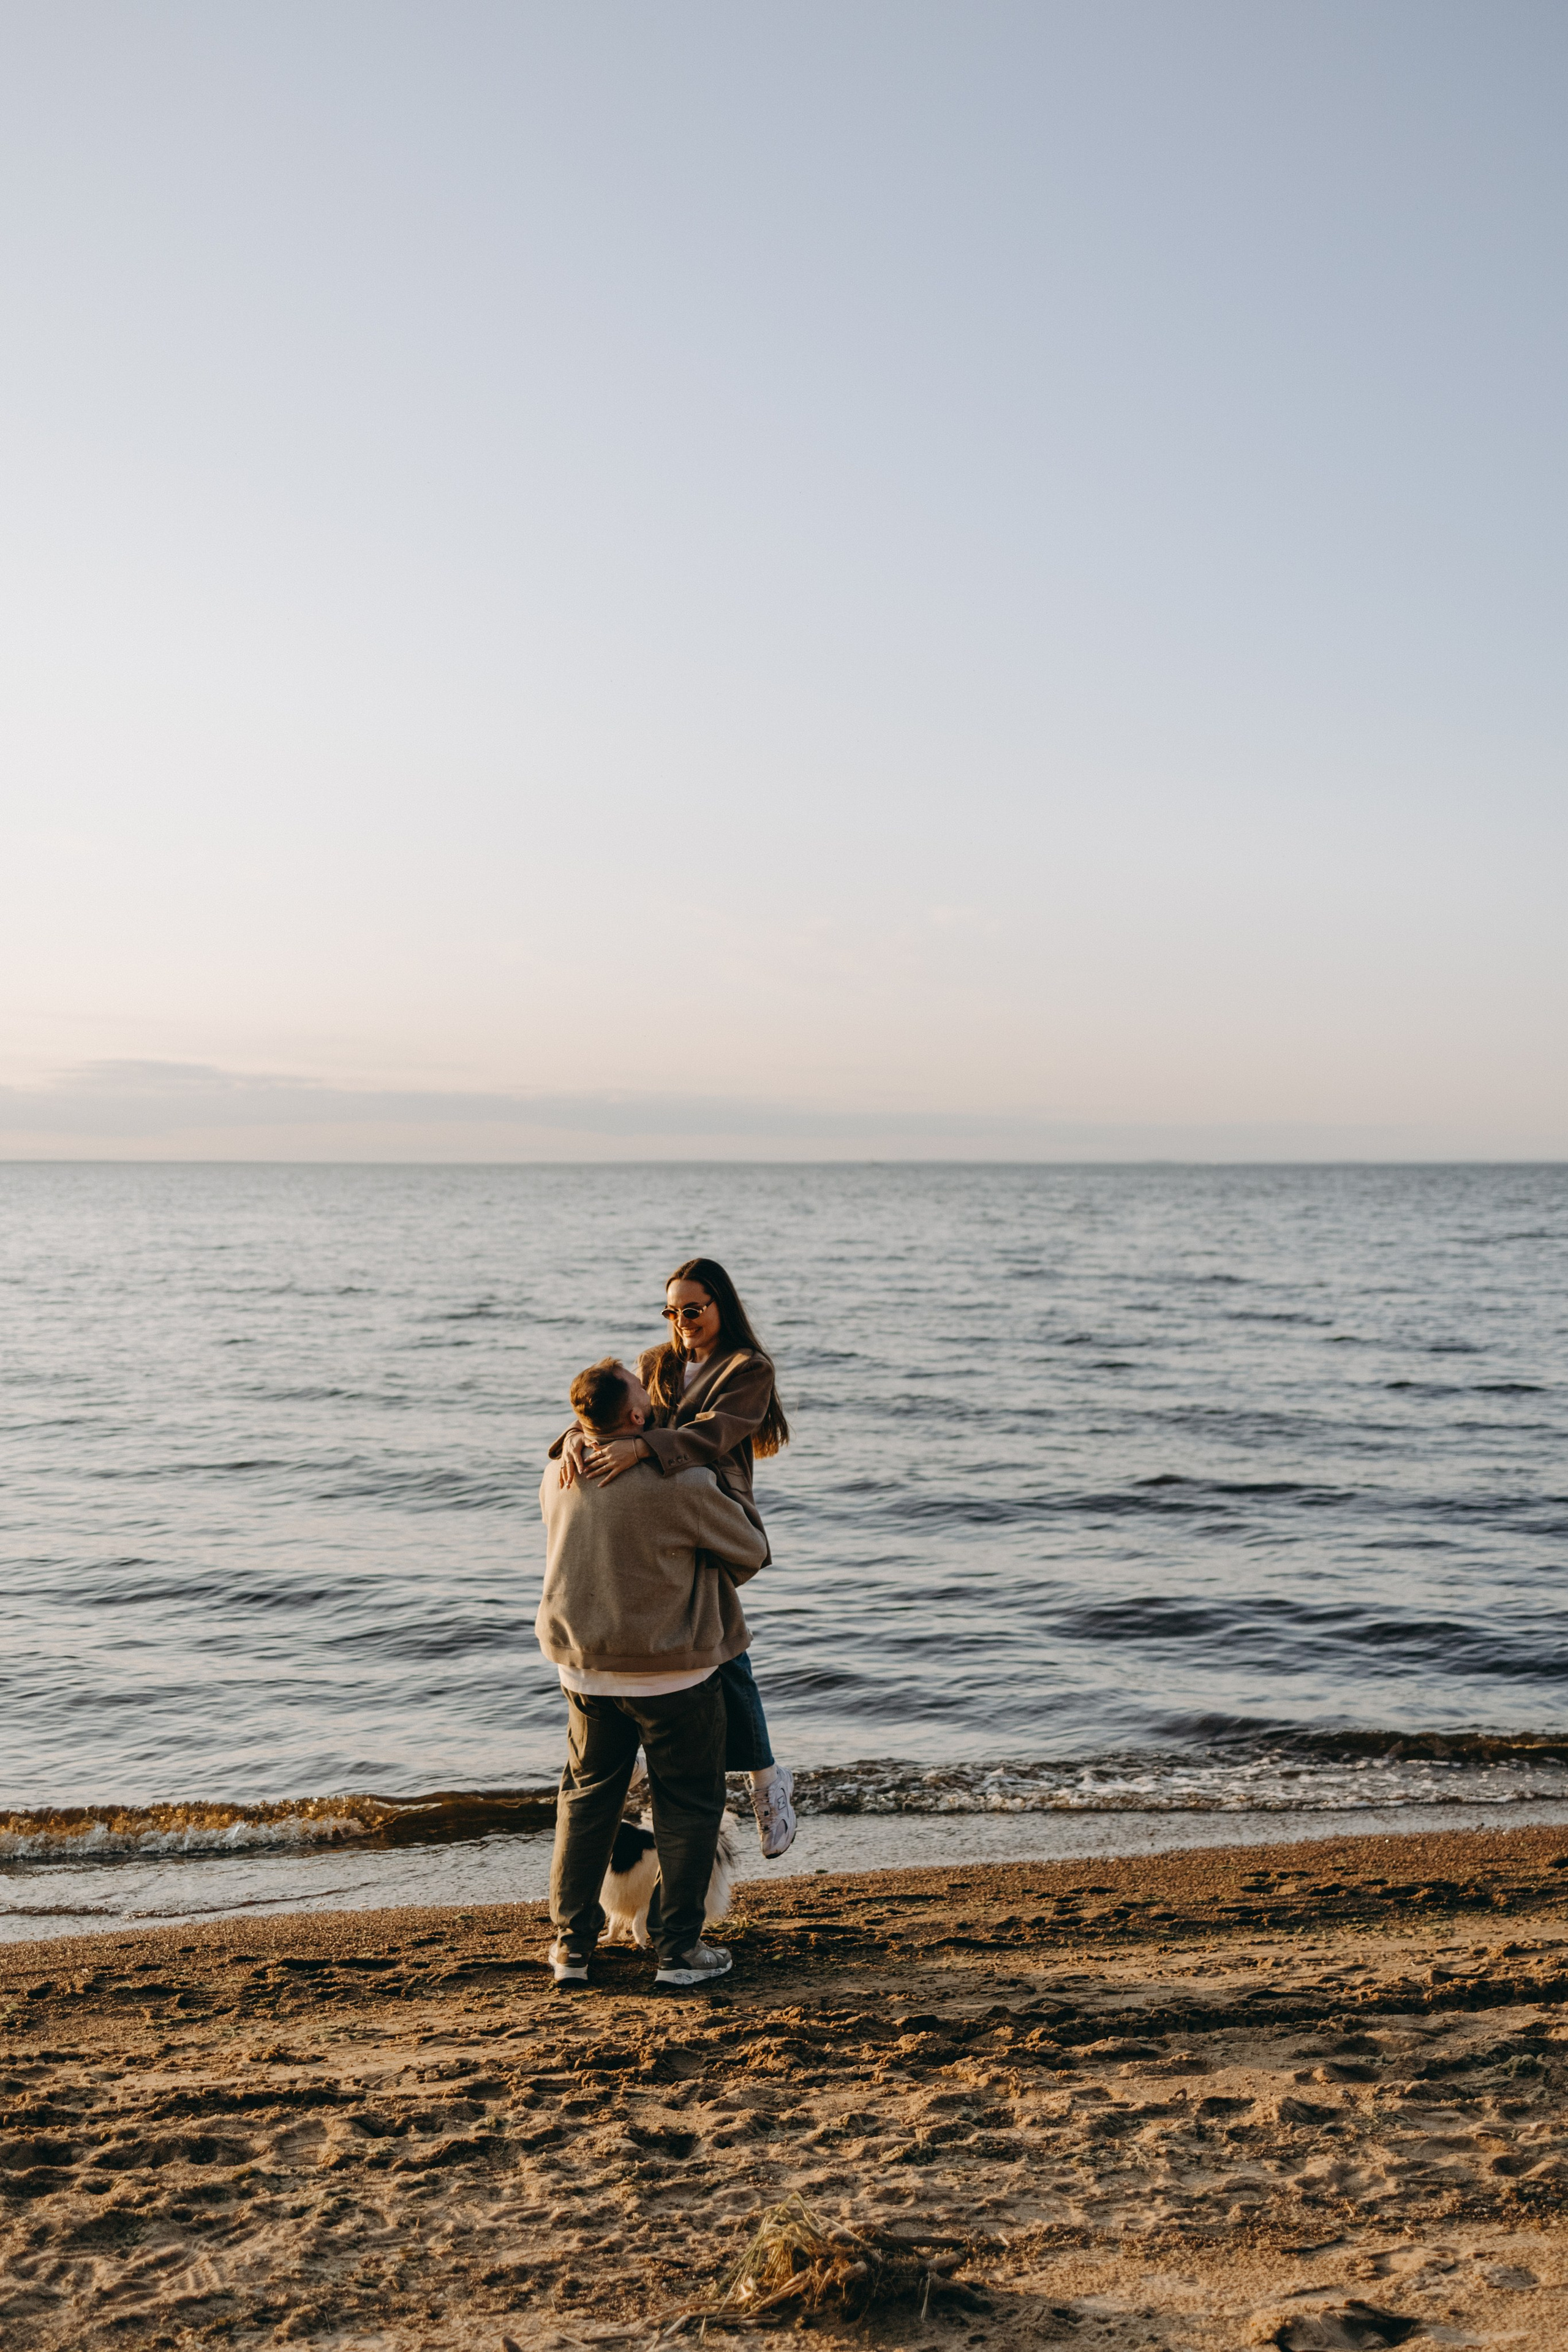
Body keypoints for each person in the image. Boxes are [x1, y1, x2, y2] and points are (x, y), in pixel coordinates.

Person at [537, 1355, 769, 1990]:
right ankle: (677, 1951)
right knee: (688, 1803)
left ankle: (572, 1949)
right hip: (672, 1674)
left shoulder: (558, 1471)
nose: (657, 1393)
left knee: (586, 1803)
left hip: (583, 1667)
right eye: (646, 1390)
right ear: (638, 1417)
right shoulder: (683, 1484)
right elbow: (752, 1550)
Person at [554, 1257, 797, 1858]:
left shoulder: (748, 1368)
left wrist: (643, 1450)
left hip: (709, 1505)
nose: (681, 1321)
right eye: (672, 1310)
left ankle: (765, 1781)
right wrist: (573, 1439)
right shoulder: (655, 1362)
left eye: (693, 1309)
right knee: (709, 1641)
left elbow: (716, 1433)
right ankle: (748, 1776)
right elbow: (611, 1413)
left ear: (720, 1306)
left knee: (724, 1640)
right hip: (656, 1512)